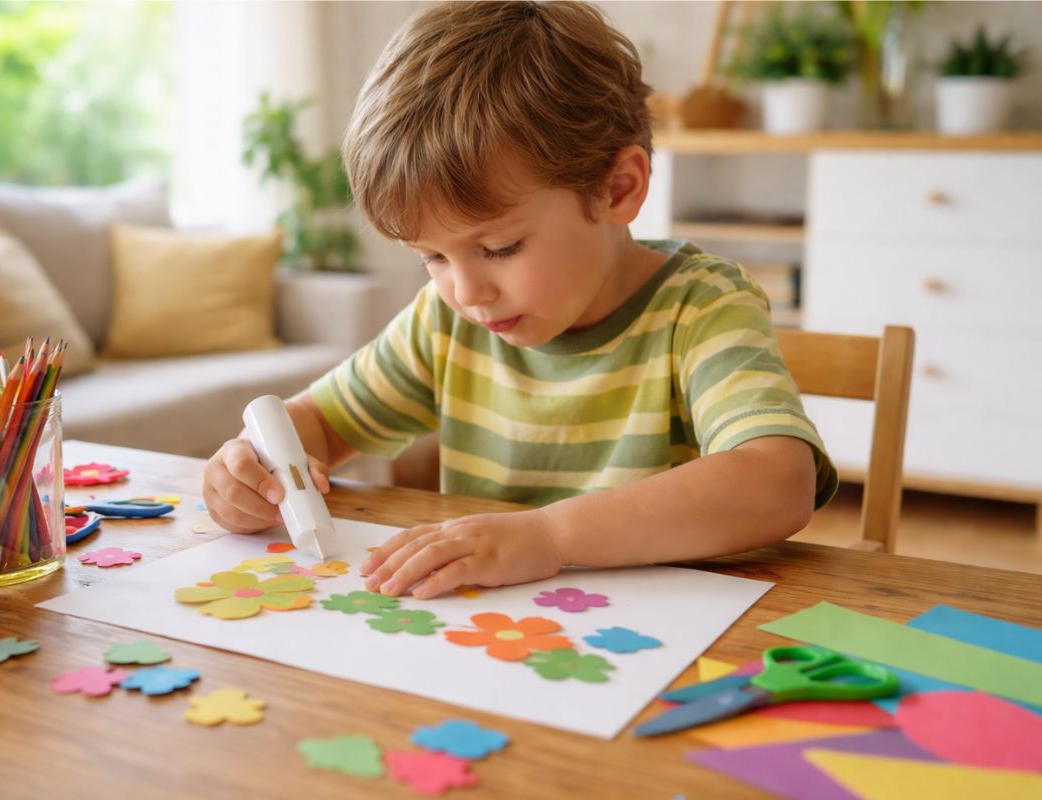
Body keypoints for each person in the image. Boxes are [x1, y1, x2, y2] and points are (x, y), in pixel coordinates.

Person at [204, 0, 836, 601]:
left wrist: (551, 536)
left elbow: (777, 483)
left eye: (501, 247)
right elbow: (314, 426)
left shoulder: (699, 308)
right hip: (499, 643)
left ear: (618, 188)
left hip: (668, 649)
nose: (466, 292)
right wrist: (252, 471)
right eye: (433, 257)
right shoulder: (444, 322)